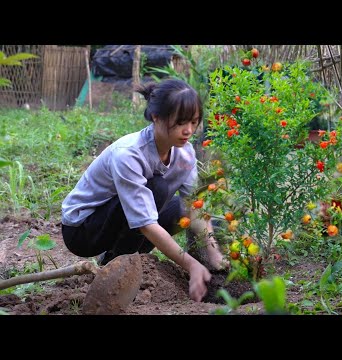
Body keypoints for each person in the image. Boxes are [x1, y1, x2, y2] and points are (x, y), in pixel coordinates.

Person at [61, 78, 227, 302]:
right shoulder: (129, 154)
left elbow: (195, 208)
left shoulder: (185, 153)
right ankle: (117, 266)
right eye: (180, 122)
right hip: (83, 229)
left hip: (123, 218)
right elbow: (146, 223)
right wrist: (191, 265)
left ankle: (121, 259)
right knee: (157, 187)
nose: (188, 130)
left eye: (194, 122)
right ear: (156, 117)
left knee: (183, 208)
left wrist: (214, 255)